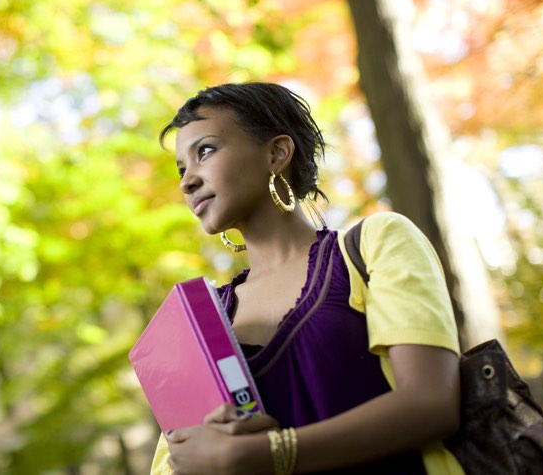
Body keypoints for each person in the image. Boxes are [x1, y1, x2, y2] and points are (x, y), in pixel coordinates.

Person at [150, 82, 463, 474]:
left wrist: (269, 454)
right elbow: (176, 461)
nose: (186, 181)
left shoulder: (374, 244)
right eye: (181, 168)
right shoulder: (200, 324)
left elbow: (432, 403)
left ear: (277, 153)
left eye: (206, 152)